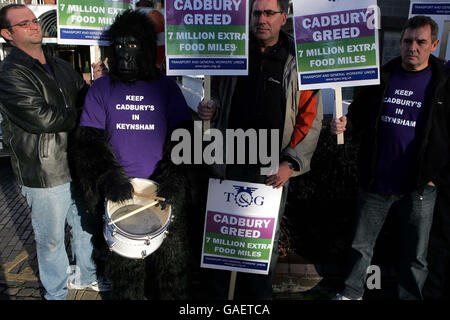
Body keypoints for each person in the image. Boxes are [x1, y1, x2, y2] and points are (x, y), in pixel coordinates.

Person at [198, 0, 323, 299]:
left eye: (269, 13)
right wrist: (207, 110)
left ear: (284, 17)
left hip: (271, 171)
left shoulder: (299, 59)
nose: (261, 20)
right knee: (220, 243)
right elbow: (213, 94)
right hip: (228, 162)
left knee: (260, 249)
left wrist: (290, 164)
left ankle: (258, 300)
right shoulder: (231, 52)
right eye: (256, 13)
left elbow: (310, 117)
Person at [71, 10, 193, 299]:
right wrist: (107, 177)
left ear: (148, 49)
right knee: (127, 277)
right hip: (122, 198)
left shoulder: (166, 87)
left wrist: (175, 179)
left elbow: (184, 138)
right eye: (121, 46)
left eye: (134, 45)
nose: (125, 54)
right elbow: (88, 143)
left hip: (161, 193)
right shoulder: (100, 88)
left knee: (172, 272)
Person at [330, 15, 450, 300]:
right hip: (378, 179)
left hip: (420, 186)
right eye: (407, 41)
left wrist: (436, 177)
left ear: (433, 44)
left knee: (416, 254)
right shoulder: (382, 75)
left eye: (421, 42)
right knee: (361, 246)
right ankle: (351, 292)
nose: (413, 47)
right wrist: (344, 124)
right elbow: (358, 117)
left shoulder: (443, 84)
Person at [0, 4, 108, 300]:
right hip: (44, 171)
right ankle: (56, 292)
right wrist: (83, 112)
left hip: (75, 161)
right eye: (24, 23)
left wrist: (98, 84)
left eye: (34, 20)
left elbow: (83, 98)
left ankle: (86, 276)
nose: (34, 25)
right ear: (7, 34)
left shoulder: (59, 64)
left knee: (86, 225)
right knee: (51, 239)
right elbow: (42, 118)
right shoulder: (10, 73)